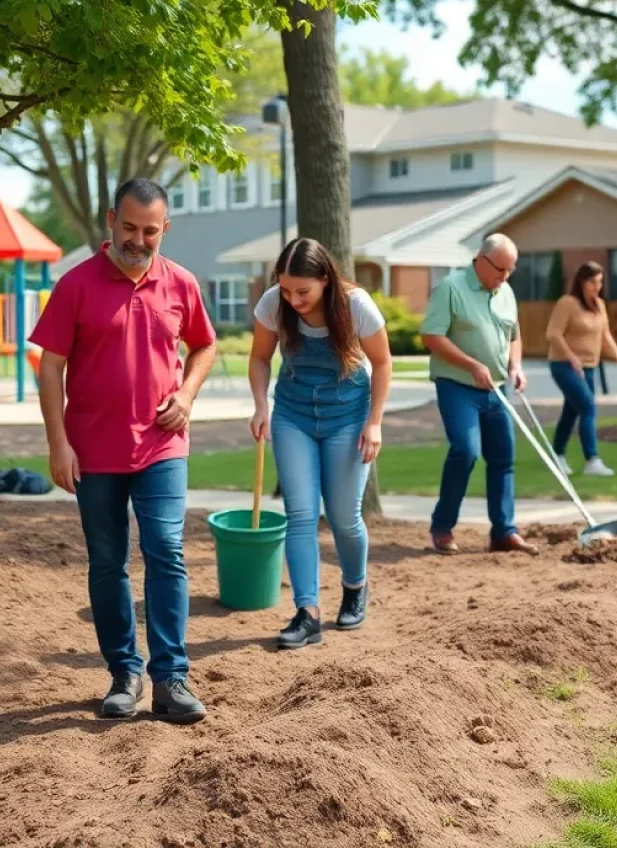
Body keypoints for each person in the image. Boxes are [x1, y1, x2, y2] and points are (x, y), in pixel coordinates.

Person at [30, 178, 217, 724]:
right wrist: (58, 443)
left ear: (166, 229)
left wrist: (186, 395)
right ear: (112, 219)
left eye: (151, 231)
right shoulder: (76, 285)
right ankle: (123, 673)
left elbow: (205, 344)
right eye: (130, 227)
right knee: (108, 562)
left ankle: (171, 677)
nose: (139, 240)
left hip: (162, 443)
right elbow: (51, 367)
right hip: (91, 449)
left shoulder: (180, 282)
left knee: (165, 548)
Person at [248, 238, 392, 649]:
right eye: (286, 289)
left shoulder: (355, 305)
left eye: (303, 292)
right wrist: (260, 406)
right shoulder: (274, 304)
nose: (293, 299)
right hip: (293, 415)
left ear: (326, 280)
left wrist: (375, 422)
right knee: (301, 514)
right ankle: (307, 612)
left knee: (345, 517)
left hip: (347, 417)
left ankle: (354, 585)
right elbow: (259, 357)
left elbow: (382, 363)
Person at [419, 234, 538, 556]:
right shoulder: (451, 288)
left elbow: (514, 335)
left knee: (503, 459)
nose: (505, 276)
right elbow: (431, 336)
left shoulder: (506, 292)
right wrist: (471, 364)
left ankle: (504, 532)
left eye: (510, 270)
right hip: (457, 386)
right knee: (466, 451)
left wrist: (516, 366)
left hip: (497, 388)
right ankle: (442, 527)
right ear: (480, 260)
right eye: (501, 269)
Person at [545, 261, 617, 477]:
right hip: (563, 365)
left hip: (589, 367)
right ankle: (592, 460)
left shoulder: (599, 305)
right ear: (581, 281)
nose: (597, 286)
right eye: (592, 281)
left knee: (572, 411)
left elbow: (605, 335)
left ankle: (557, 455)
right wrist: (571, 357)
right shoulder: (567, 303)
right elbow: (553, 334)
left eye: (600, 282)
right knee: (588, 407)